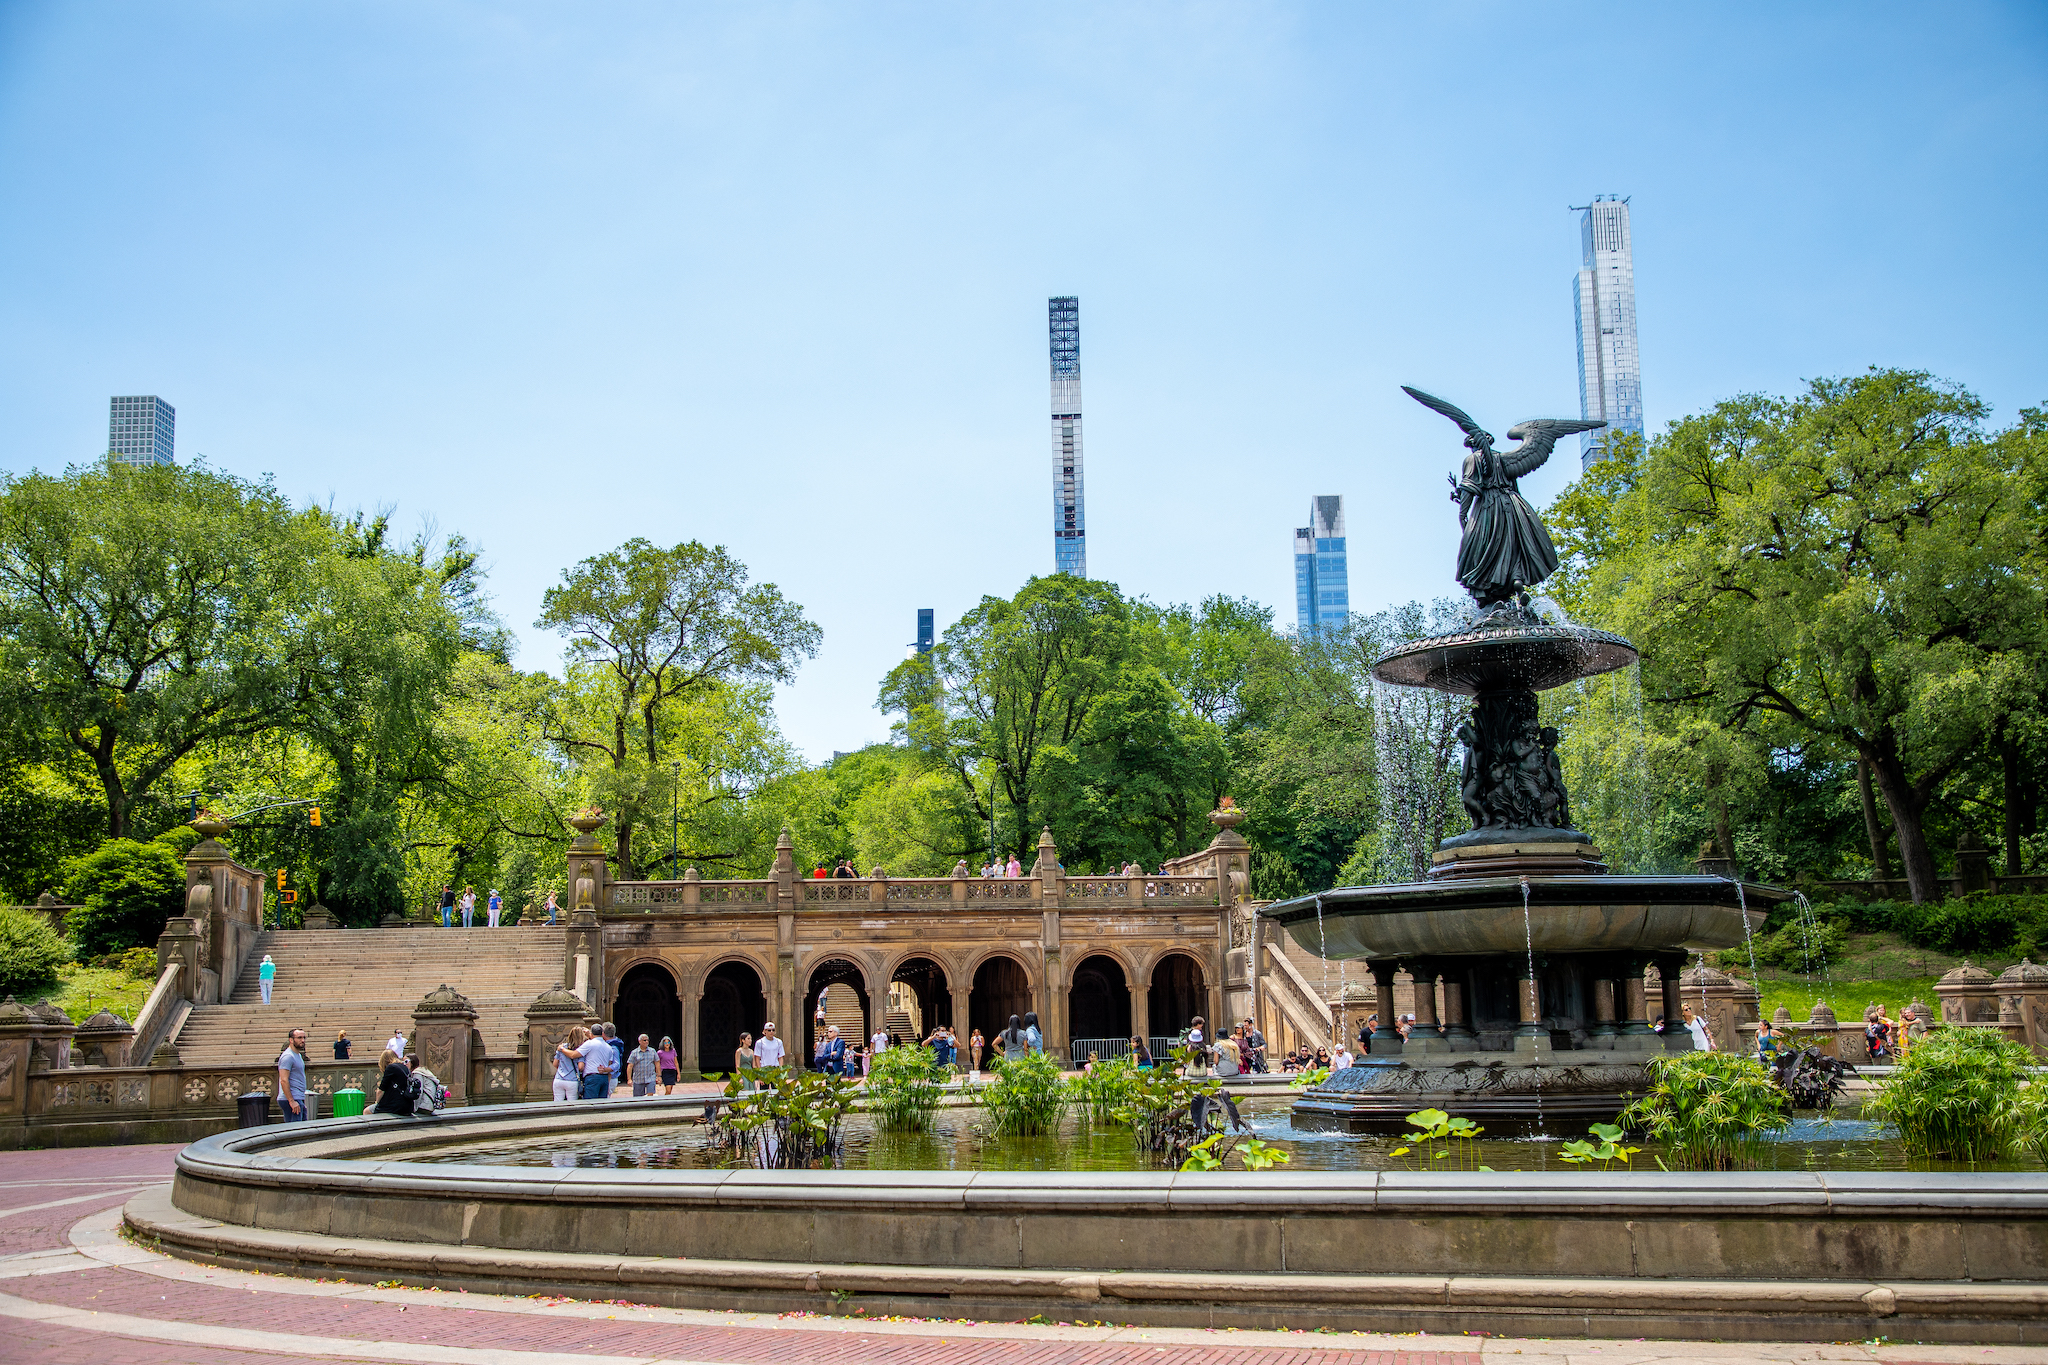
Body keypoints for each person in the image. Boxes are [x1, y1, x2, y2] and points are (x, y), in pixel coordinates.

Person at [568, 1029, 613, 1099]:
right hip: (604, 1078)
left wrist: (562, 1049)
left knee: (590, 1103)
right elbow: (610, 1064)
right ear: (602, 1034)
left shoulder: (589, 1043)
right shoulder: (609, 1047)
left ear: (591, 1034)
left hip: (592, 1077)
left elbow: (573, 1055)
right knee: (602, 1104)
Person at [276, 1028, 309, 1121]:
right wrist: (292, 1101)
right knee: (295, 1132)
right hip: (291, 1099)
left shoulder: (297, 1055)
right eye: (299, 1038)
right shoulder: (288, 1057)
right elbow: (283, 1080)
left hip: (298, 1097)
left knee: (302, 1131)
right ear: (291, 1040)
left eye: (304, 1038)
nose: (302, 1040)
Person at [371, 1049, 414, 1116]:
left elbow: (381, 1089)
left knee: (367, 1111)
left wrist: (377, 1102)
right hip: (407, 1105)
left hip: (394, 1106)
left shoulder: (391, 1067)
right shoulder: (404, 1067)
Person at [552, 1026, 588, 1101]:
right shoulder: (580, 1049)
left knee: (557, 1104)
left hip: (558, 1079)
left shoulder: (562, 1047)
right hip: (572, 1080)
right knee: (572, 1104)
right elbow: (580, 1067)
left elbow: (555, 1064)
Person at [627, 1033, 661, 1097]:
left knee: (650, 1095)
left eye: (647, 1040)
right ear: (639, 1041)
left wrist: (659, 1075)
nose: (646, 1042)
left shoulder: (652, 1051)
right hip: (638, 1079)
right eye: (644, 1040)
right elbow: (630, 1065)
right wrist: (629, 1079)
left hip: (650, 1078)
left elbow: (657, 1063)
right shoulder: (634, 1052)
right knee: (638, 1099)